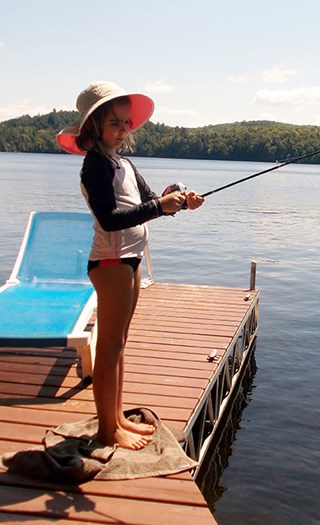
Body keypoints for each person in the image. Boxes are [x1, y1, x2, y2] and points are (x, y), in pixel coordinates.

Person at [57, 81, 204, 450]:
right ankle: (108, 431)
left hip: (130, 259)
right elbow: (109, 217)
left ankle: (117, 418)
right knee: (108, 348)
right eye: (114, 124)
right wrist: (159, 207)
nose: (124, 130)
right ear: (92, 128)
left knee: (119, 345)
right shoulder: (95, 165)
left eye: (126, 123)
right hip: (110, 261)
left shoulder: (122, 161)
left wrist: (178, 199)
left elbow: (149, 201)